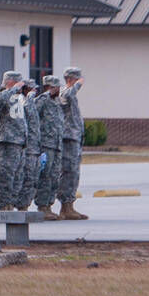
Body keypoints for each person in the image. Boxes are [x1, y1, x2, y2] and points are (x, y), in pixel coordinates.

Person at [57, 66, 89, 220]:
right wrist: (77, 85)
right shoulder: (65, 92)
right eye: (77, 78)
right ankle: (65, 206)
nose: (79, 82)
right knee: (69, 172)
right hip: (68, 138)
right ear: (70, 79)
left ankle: (69, 205)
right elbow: (69, 94)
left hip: (74, 138)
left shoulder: (70, 93)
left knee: (74, 173)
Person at [0, 71, 27, 211]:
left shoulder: (17, 98)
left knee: (17, 176)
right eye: (18, 82)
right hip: (7, 142)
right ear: (9, 82)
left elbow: (20, 121)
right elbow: (1, 101)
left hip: (18, 143)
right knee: (6, 175)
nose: (21, 86)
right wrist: (13, 89)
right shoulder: (3, 95)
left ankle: (11, 203)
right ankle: (3, 205)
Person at [35, 75, 64, 220]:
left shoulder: (57, 102)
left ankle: (49, 205)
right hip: (46, 144)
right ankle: (42, 206)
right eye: (55, 87)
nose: (59, 89)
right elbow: (34, 108)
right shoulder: (43, 100)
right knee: (45, 176)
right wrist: (46, 94)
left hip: (57, 144)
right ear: (48, 88)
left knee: (54, 176)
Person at [18, 79, 42, 211]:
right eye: (32, 89)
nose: (35, 92)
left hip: (34, 147)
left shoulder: (32, 103)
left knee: (32, 178)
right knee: (26, 177)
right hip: (27, 148)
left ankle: (25, 205)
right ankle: (21, 206)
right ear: (25, 90)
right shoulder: (21, 101)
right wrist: (29, 97)